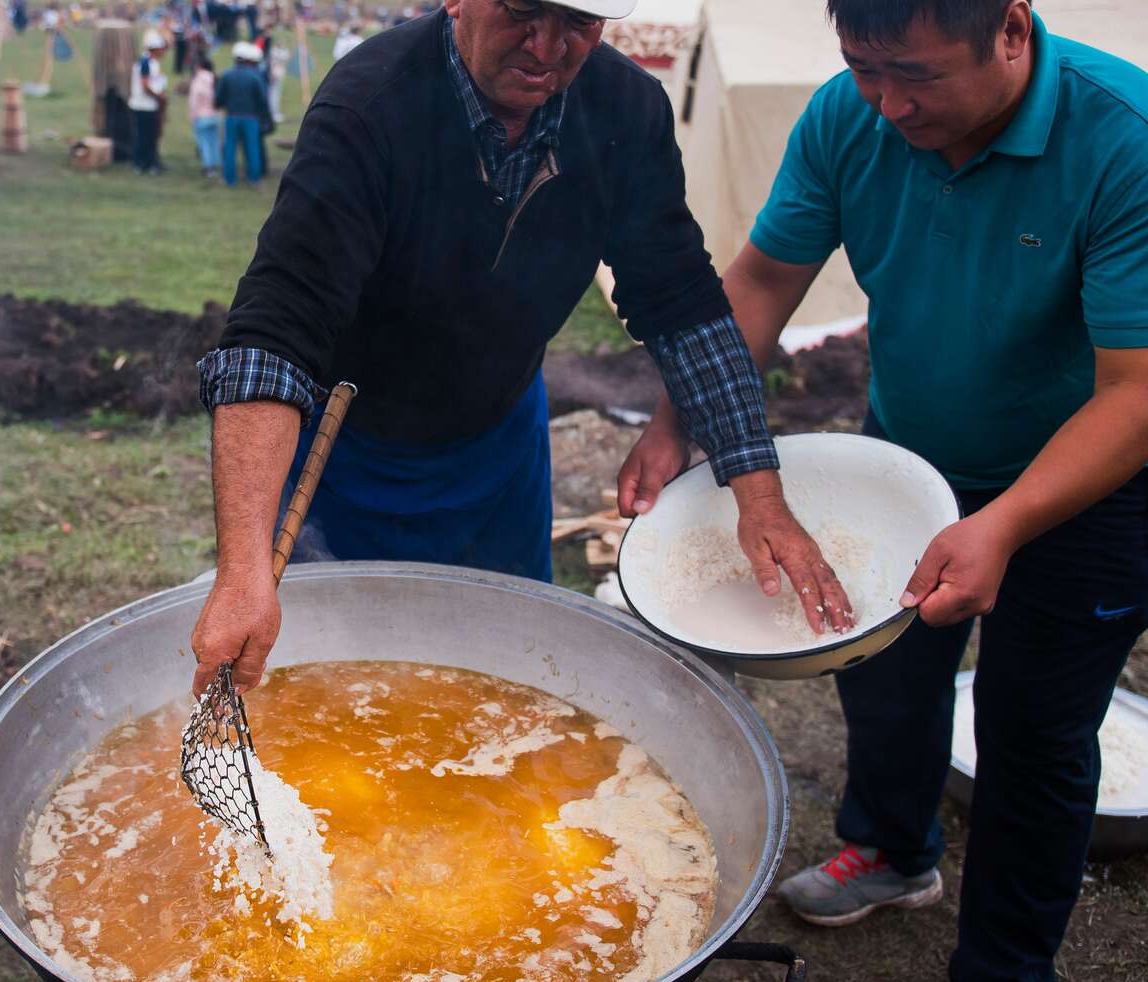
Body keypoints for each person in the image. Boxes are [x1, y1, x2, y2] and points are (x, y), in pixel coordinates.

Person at [663, 0, 1148, 982]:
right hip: (909, 462)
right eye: (860, 68)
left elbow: (1140, 392)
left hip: (1076, 491)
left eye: (912, 74)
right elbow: (766, 278)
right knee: (882, 674)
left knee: (1036, 736)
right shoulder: (848, 114)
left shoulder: (1129, 142)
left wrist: (1004, 522)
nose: (885, 102)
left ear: (1008, 31)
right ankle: (891, 846)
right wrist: (685, 412)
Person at [189, 1, 853, 697]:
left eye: (578, 24)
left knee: (502, 677)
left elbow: (683, 303)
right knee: (340, 685)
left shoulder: (626, 110)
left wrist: (760, 492)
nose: (546, 47)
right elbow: (273, 337)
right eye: (522, 10)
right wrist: (242, 573)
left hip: (500, 447)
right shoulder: (370, 107)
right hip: (346, 452)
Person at [216, 41, 271, 185]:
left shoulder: (227, 75)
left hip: (232, 116)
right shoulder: (255, 77)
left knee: (230, 148)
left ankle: (229, 179)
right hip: (251, 117)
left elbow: (219, 98)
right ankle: (254, 179)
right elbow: (262, 99)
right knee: (252, 148)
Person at [129, 30, 172, 174]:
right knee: (145, 136)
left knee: (150, 136)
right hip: (144, 106)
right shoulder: (146, 62)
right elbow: (145, 84)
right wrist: (159, 96)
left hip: (148, 105)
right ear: (157, 49)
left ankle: (150, 162)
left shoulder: (150, 62)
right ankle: (141, 164)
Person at [188, 57, 222, 176]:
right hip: (215, 115)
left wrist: (193, 115)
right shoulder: (216, 79)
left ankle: (209, 167)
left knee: (204, 143)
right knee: (214, 142)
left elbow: (194, 101)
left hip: (201, 116)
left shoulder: (198, 80)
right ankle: (216, 165)